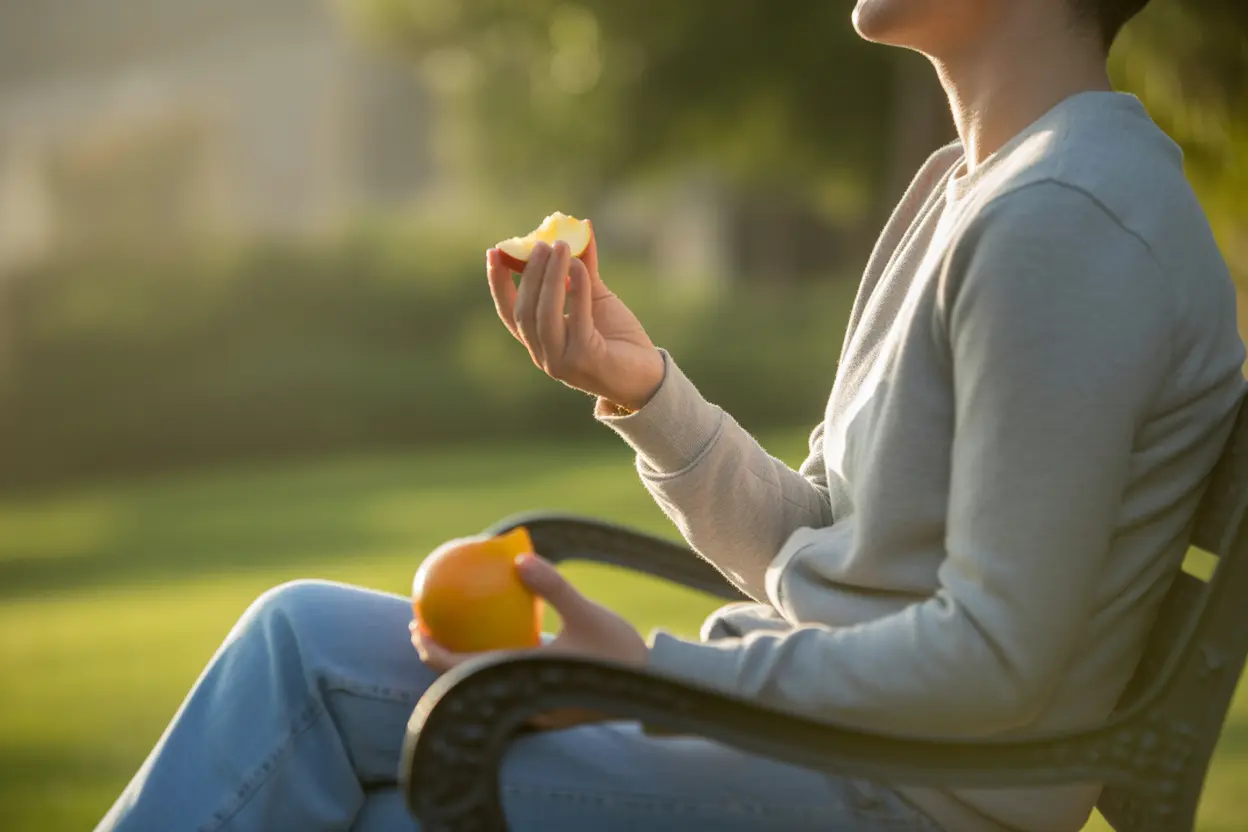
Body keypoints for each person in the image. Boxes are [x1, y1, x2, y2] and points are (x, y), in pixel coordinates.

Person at [96, 0, 1246, 829]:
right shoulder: (973, 184)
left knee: (367, 758)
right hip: (822, 741)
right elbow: (829, 543)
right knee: (301, 639)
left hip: (896, 791)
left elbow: (999, 660)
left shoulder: (1069, 219)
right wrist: (645, 388)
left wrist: (646, 675)